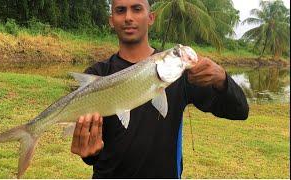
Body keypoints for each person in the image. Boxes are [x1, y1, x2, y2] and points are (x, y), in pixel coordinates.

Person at [70, 0, 249, 178]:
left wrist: (222, 79)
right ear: (111, 20)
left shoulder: (182, 74)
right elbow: (93, 151)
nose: (128, 17)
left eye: (137, 9)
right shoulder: (98, 75)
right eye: (120, 10)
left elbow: (239, 111)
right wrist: (89, 152)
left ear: (151, 17)